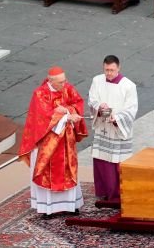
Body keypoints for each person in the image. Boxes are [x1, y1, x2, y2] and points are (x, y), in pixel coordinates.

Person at [18, 66, 88, 217]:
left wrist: (69, 110)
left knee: (68, 169)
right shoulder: (40, 94)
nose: (64, 85)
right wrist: (64, 116)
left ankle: (71, 205)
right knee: (48, 174)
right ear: (50, 81)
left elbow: (78, 103)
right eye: (60, 82)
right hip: (47, 143)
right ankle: (48, 208)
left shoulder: (67, 88)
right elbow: (43, 117)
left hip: (65, 141)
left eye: (64, 81)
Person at [88, 55, 138, 202]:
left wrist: (117, 118)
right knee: (101, 160)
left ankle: (117, 194)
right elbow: (92, 99)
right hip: (103, 127)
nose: (109, 73)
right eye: (106, 70)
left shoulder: (128, 86)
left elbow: (131, 109)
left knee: (116, 163)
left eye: (112, 70)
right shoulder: (97, 80)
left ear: (118, 68)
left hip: (117, 129)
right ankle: (103, 191)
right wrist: (99, 106)